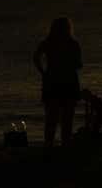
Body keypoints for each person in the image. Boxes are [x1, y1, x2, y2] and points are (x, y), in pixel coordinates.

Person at [33, 17, 82, 147]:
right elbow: (78, 64)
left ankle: (49, 145)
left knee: (51, 118)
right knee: (67, 118)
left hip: (51, 81)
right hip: (69, 82)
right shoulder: (73, 43)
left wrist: (43, 72)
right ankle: (65, 145)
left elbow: (36, 57)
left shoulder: (47, 42)